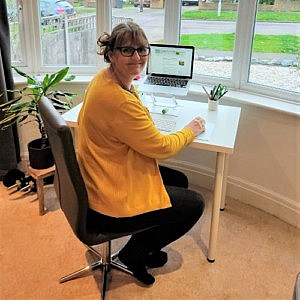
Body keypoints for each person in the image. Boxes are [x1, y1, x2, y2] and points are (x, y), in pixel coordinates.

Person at [77, 22, 206, 285]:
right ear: (111, 54)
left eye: (142, 49)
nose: (137, 57)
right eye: (127, 50)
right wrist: (191, 130)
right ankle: (133, 254)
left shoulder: (107, 78)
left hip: (102, 171)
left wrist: (143, 123)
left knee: (178, 180)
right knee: (194, 204)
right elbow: (161, 147)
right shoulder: (116, 98)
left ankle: (143, 247)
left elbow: (129, 123)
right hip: (107, 196)